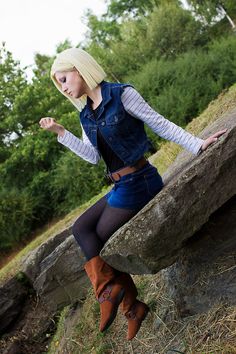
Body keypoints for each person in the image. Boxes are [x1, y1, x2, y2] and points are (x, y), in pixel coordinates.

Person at [39, 48, 226, 340]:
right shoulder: (85, 113)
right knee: (81, 228)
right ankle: (122, 301)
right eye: (59, 84)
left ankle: (127, 304)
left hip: (140, 180)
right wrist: (62, 133)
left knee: (97, 233)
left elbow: (159, 122)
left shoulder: (121, 95)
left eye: (63, 79)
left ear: (79, 69)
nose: (63, 88)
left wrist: (197, 144)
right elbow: (92, 156)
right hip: (120, 186)